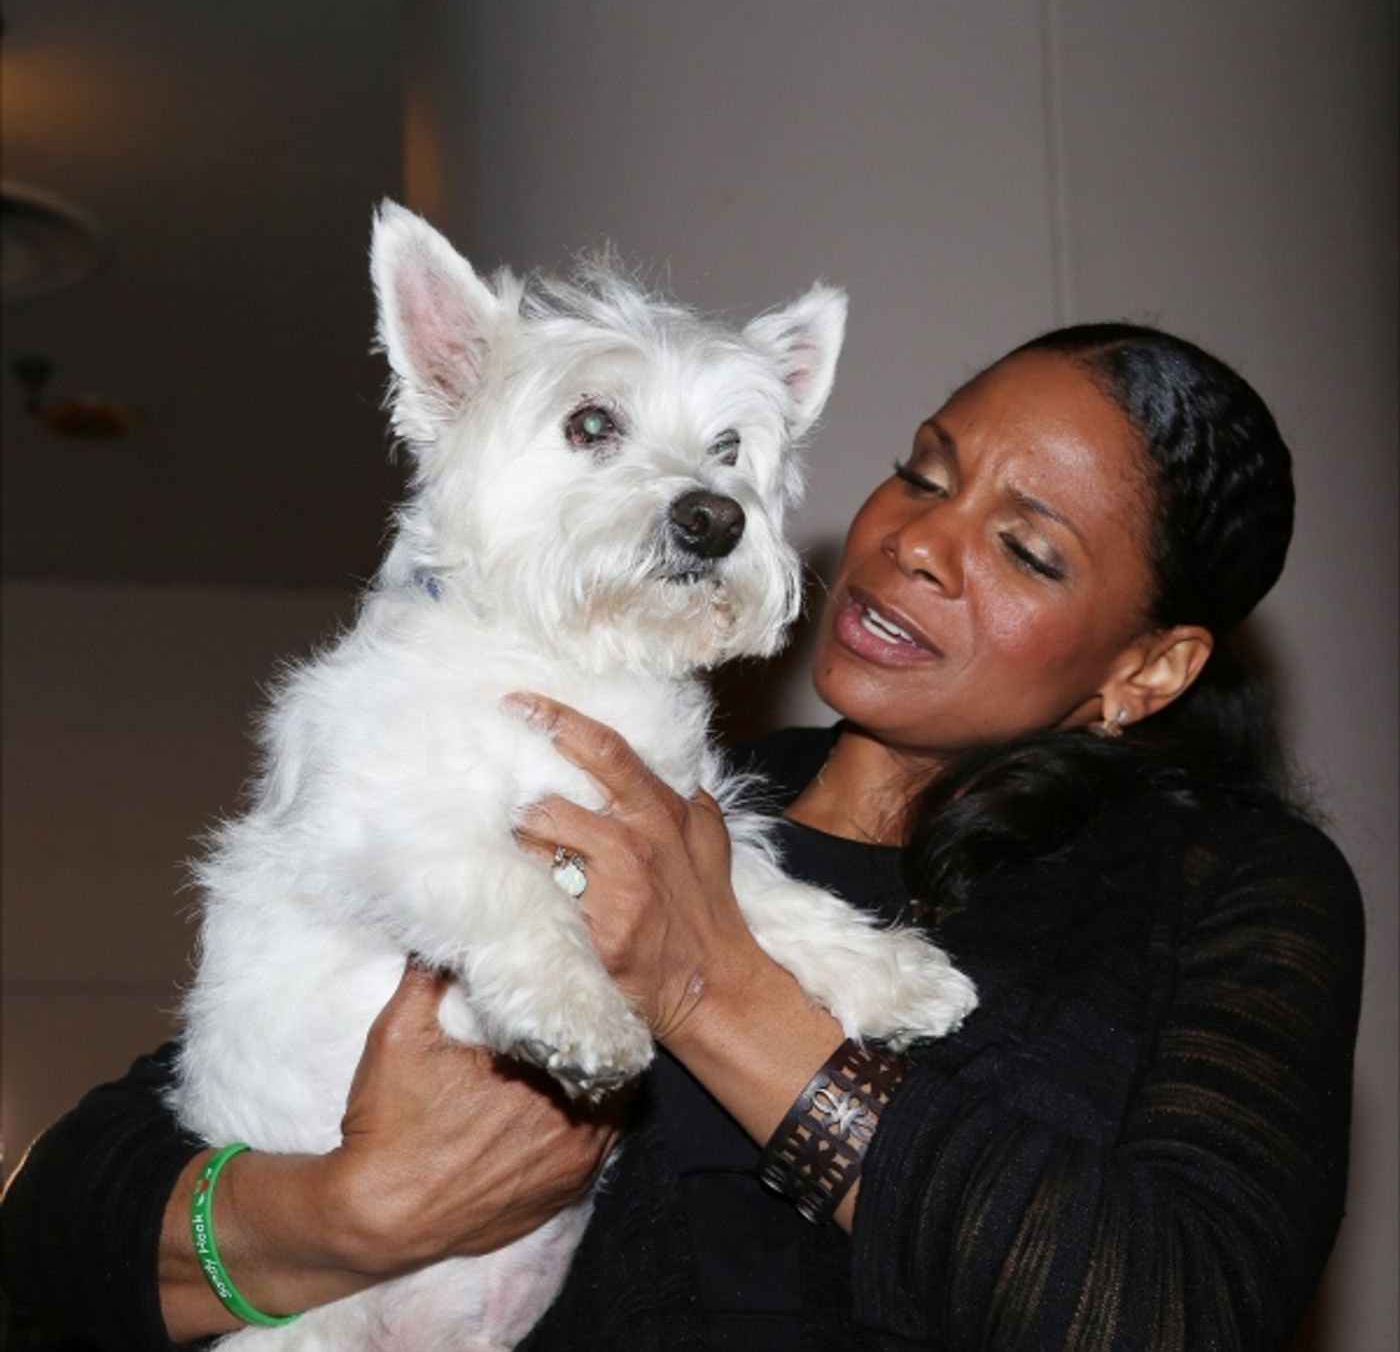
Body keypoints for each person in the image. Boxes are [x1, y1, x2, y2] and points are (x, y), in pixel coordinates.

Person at [0, 325, 1363, 1351]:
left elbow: (1172, 1304)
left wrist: (714, 990)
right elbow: (62, 1218)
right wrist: (343, 1215)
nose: (917, 544)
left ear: (1148, 669)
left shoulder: (1228, 891)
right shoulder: (636, 779)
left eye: (1029, 551)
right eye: (922, 474)